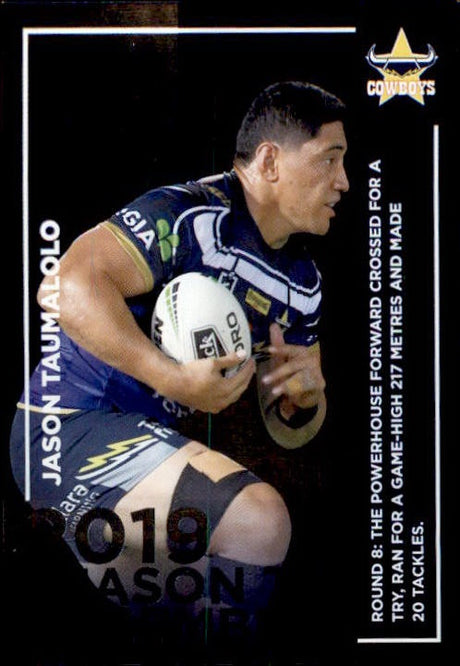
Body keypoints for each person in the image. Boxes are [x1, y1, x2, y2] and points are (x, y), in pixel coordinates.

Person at [9, 80, 349, 663]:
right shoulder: (186, 215)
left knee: (173, 624)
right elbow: (60, 287)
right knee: (259, 521)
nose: (343, 182)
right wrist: (170, 379)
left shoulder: (304, 286)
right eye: (329, 160)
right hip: (65, 430)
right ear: (271, 161)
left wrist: (306, 401)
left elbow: (286, 427)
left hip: (141, 458)